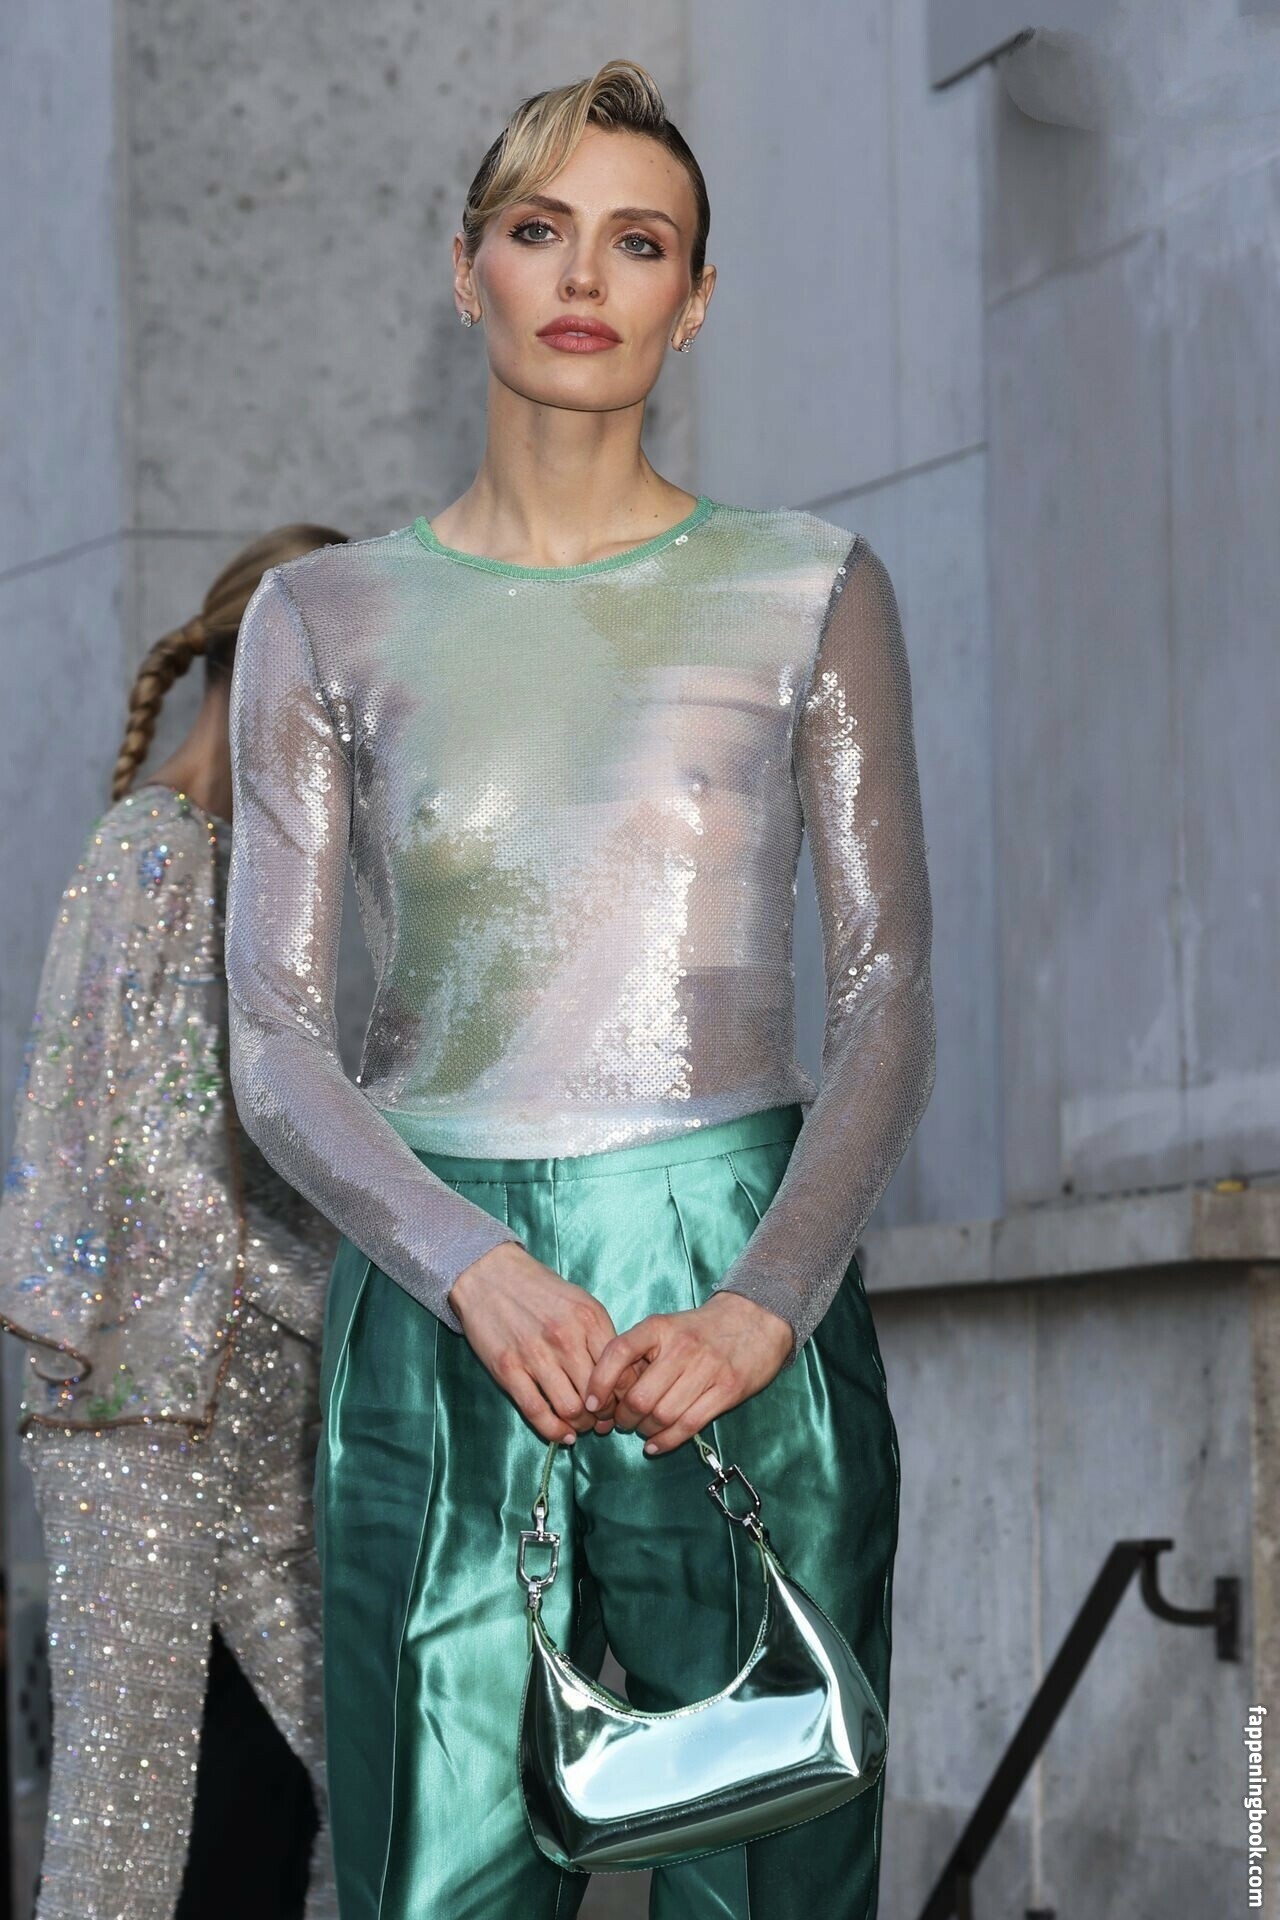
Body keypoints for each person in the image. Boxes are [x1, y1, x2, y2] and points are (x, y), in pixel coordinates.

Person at [224, 58, 936, 1920]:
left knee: (772, 1877)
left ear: (694, 299)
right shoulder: (323, 619)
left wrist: (766, 1304)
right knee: (429, 1886)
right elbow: (275, 1040)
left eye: (641, 242)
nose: (585, 277)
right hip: (438, 1300)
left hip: (737, 1278)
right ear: (466, 267)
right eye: (541, 229)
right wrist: (466, 1260)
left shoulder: (809, 587)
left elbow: (889, 993)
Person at [0, 526, 349, 1920]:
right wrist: (350, 1284)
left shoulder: (261, 875)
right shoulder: (154, 849)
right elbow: (144, 1157)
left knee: (320, 1784)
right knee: (130, 1825)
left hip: (252, 1404)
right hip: (144, 1414)